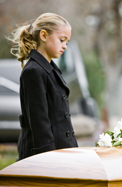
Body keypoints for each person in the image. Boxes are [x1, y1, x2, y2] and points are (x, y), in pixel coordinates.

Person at [7, 13, 78, 160]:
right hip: (44, 155)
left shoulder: (50, 69)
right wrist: (48, 158)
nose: (65, 45)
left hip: (61, 150)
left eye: (67, 42)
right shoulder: (33, 71)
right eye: (62, 40)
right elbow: (39, 122)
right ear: (44, 36)